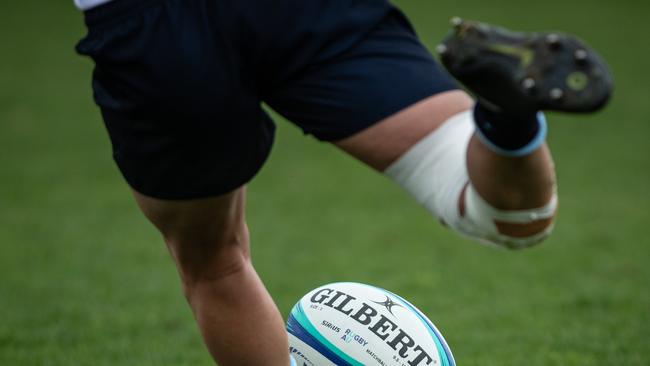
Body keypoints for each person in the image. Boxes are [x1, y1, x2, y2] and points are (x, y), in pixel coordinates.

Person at [74, 0, 612, 364]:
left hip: (155, 25)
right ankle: (504, 114)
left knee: (213, 262)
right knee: (510, 218)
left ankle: (504, 108)